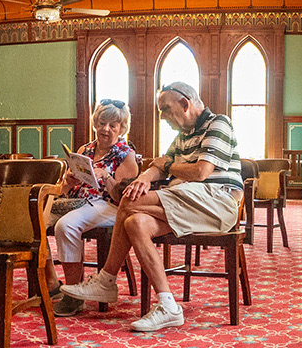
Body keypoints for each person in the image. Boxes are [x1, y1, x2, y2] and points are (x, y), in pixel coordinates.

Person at [59, 81, 244, 332]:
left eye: (166, 110)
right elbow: (156, 165)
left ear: (184, 103)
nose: (163, 117)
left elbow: (200, 172)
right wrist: (144, 179)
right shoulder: (183, 136)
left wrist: (164, 167)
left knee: (129, 200)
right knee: (135, 222)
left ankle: (106, 280)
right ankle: (168, 305)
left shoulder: (218, 123)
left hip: (216, 202)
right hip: (187, 200)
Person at [48, 100, 140, 318]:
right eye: (101, 123)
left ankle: (73, 294)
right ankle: (49, 281)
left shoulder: (126, 154)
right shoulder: (84, 150)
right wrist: (69, 181)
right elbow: (64, 189)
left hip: (108, 205)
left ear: (122, 128)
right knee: (33, 221)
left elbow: (123, 199)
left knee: (66, 226)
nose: (105, 129)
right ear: (95, 123)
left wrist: (106, 177)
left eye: (113, 125)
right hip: (77, 203)